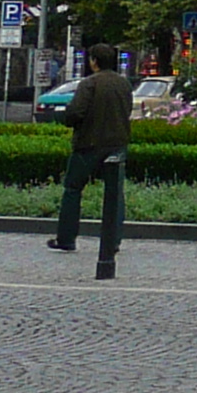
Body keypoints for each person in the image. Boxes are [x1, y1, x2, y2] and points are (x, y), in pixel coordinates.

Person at [47, 48, 131, 250]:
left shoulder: (89, 83)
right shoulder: (124, 84)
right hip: (117, 144)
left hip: (88, 144)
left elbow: (75, 113)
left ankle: (66, 238)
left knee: (73, 189)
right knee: (115, 193)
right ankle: (113, 240)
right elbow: (127, 110)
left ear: (94, 61)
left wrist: (64, 118)